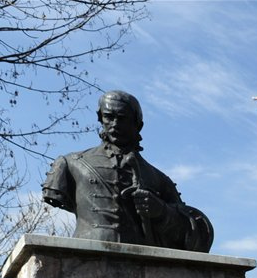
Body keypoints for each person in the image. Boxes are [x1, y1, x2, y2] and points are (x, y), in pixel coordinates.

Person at [43, 90, 212, 252]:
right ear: (100, 118)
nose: (115, 124)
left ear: (138, 124)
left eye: (122, 118)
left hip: (141, 261)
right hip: (83, 256)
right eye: (109, 117)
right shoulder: (70, 163)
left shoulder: (159, 179)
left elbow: (189, 233)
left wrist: (161, 211)